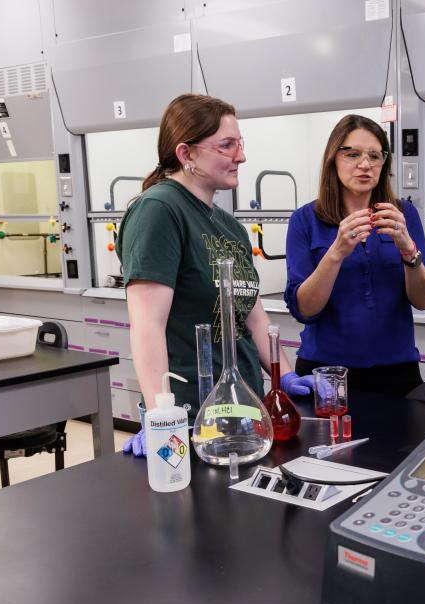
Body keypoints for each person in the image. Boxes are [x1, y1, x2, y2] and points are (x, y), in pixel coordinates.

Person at [117, 94, 313, 456]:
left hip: (244, 409)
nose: (241, 156)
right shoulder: (159, 210)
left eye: (240, 144)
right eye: (227, 145)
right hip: (192, 417)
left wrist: (282, 376)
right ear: (186, 154)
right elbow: (147, 324)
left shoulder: (229, 226)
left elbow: (253, 317)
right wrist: (162, 417)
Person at [285, 115, 425, 396]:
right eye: (352, 154)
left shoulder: (403, 214)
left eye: (374, 156)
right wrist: (336, 252)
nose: (365, 164)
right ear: (333, 159)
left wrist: (408, 249)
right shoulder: (305, 220)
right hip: (326, 373)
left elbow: (423, 300)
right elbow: (305, 309)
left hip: (397, 371)